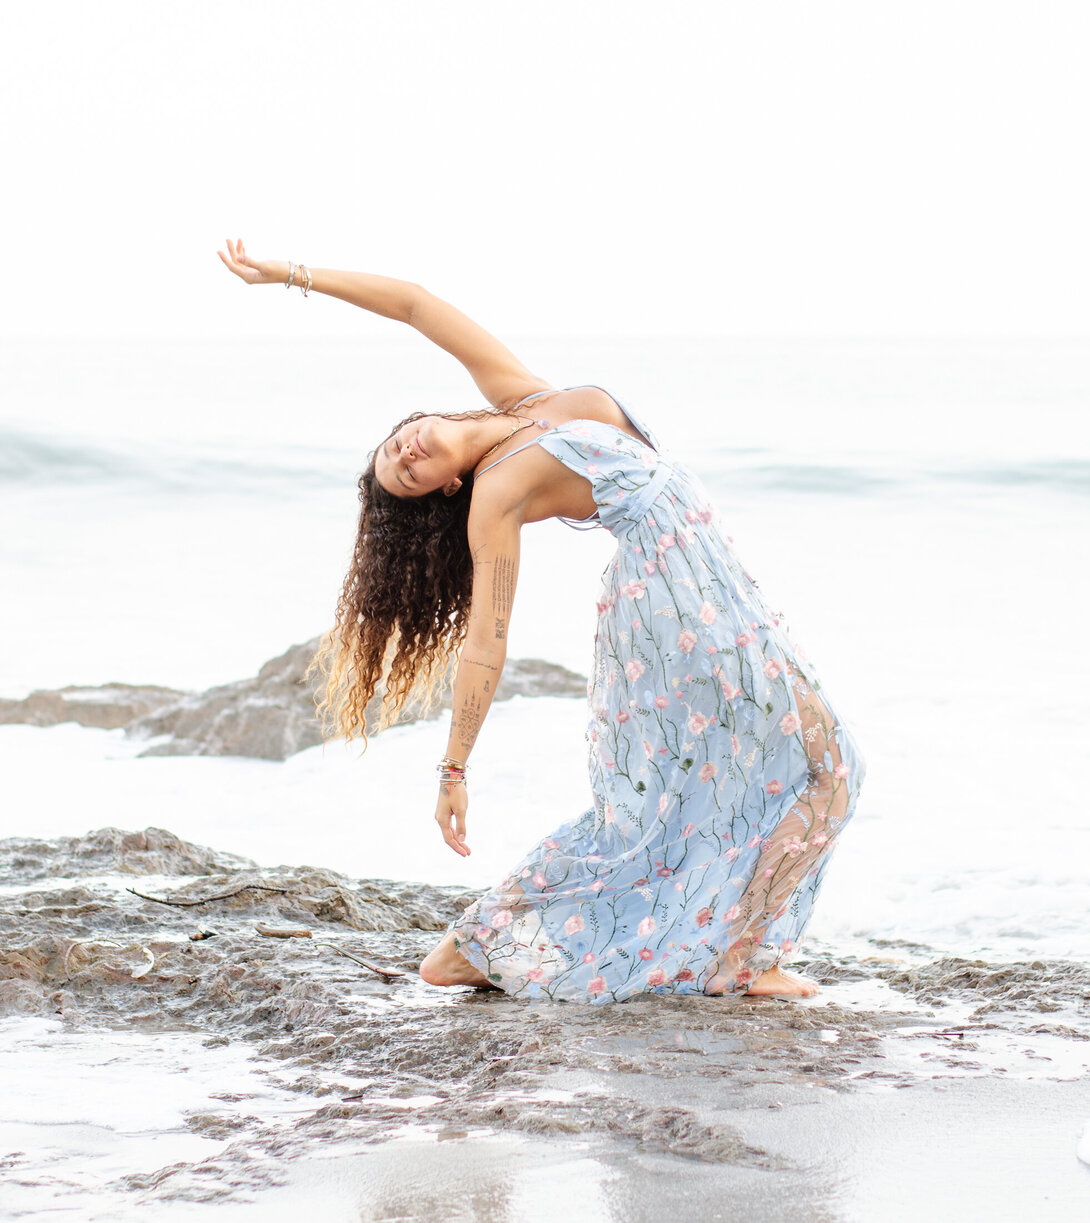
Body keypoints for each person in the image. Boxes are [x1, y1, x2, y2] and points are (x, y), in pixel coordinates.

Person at [219, 241, 866, 1002]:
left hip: (721, 589)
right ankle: (529, 946)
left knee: (720, 791)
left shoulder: (522, 400)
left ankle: (734, 955)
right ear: (445, 488)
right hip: (675, 608)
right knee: (824, 768)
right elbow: (487, 641)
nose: (408, 452)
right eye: (408, 473)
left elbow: (416, 304)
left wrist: (293, 275)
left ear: (417, 418)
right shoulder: (495, 495)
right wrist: (453, 769)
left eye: (399, 443)